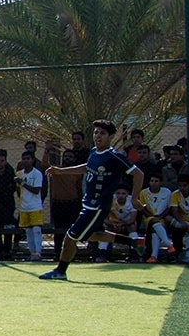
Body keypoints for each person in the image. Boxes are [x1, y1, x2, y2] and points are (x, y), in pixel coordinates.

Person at [40, 119, 145, 281]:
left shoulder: (114, 157)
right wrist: (61, 171)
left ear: (110, 136)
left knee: (70, 237)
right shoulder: (94, 152)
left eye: (102, 133)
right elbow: (87, 167)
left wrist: (135, 198)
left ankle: (60, 271)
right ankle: (134, 242)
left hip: (97, 207)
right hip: (88, 204)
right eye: (96, 132)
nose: (98, 136)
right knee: (93, 235)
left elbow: (138, 174)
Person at [14, 149, 47, 262]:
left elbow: (37, 190)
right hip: (24, 206)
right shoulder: (19, 174)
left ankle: (38, 253)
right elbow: (18, 190)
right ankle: (32, 253)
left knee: (36, 229)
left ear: (32, 160)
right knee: (28, 231)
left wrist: (23, 183)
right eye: (24, 159)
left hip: (35, 206)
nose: (26, 161)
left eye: (28, 159)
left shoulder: (37, 173)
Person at [135, 174, 175, 263]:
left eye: (156, 181)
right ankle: (168, 244)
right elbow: (142, 208)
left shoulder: (167, 192)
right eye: (152, 181)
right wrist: (152, 217)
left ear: (161, 183)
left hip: (161, 218)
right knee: (153, 222)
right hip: (148, 218)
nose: (153, 183)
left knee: (155, 230)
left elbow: (169, 208)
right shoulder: (143, 192)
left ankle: (154, 256)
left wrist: (160, 217)